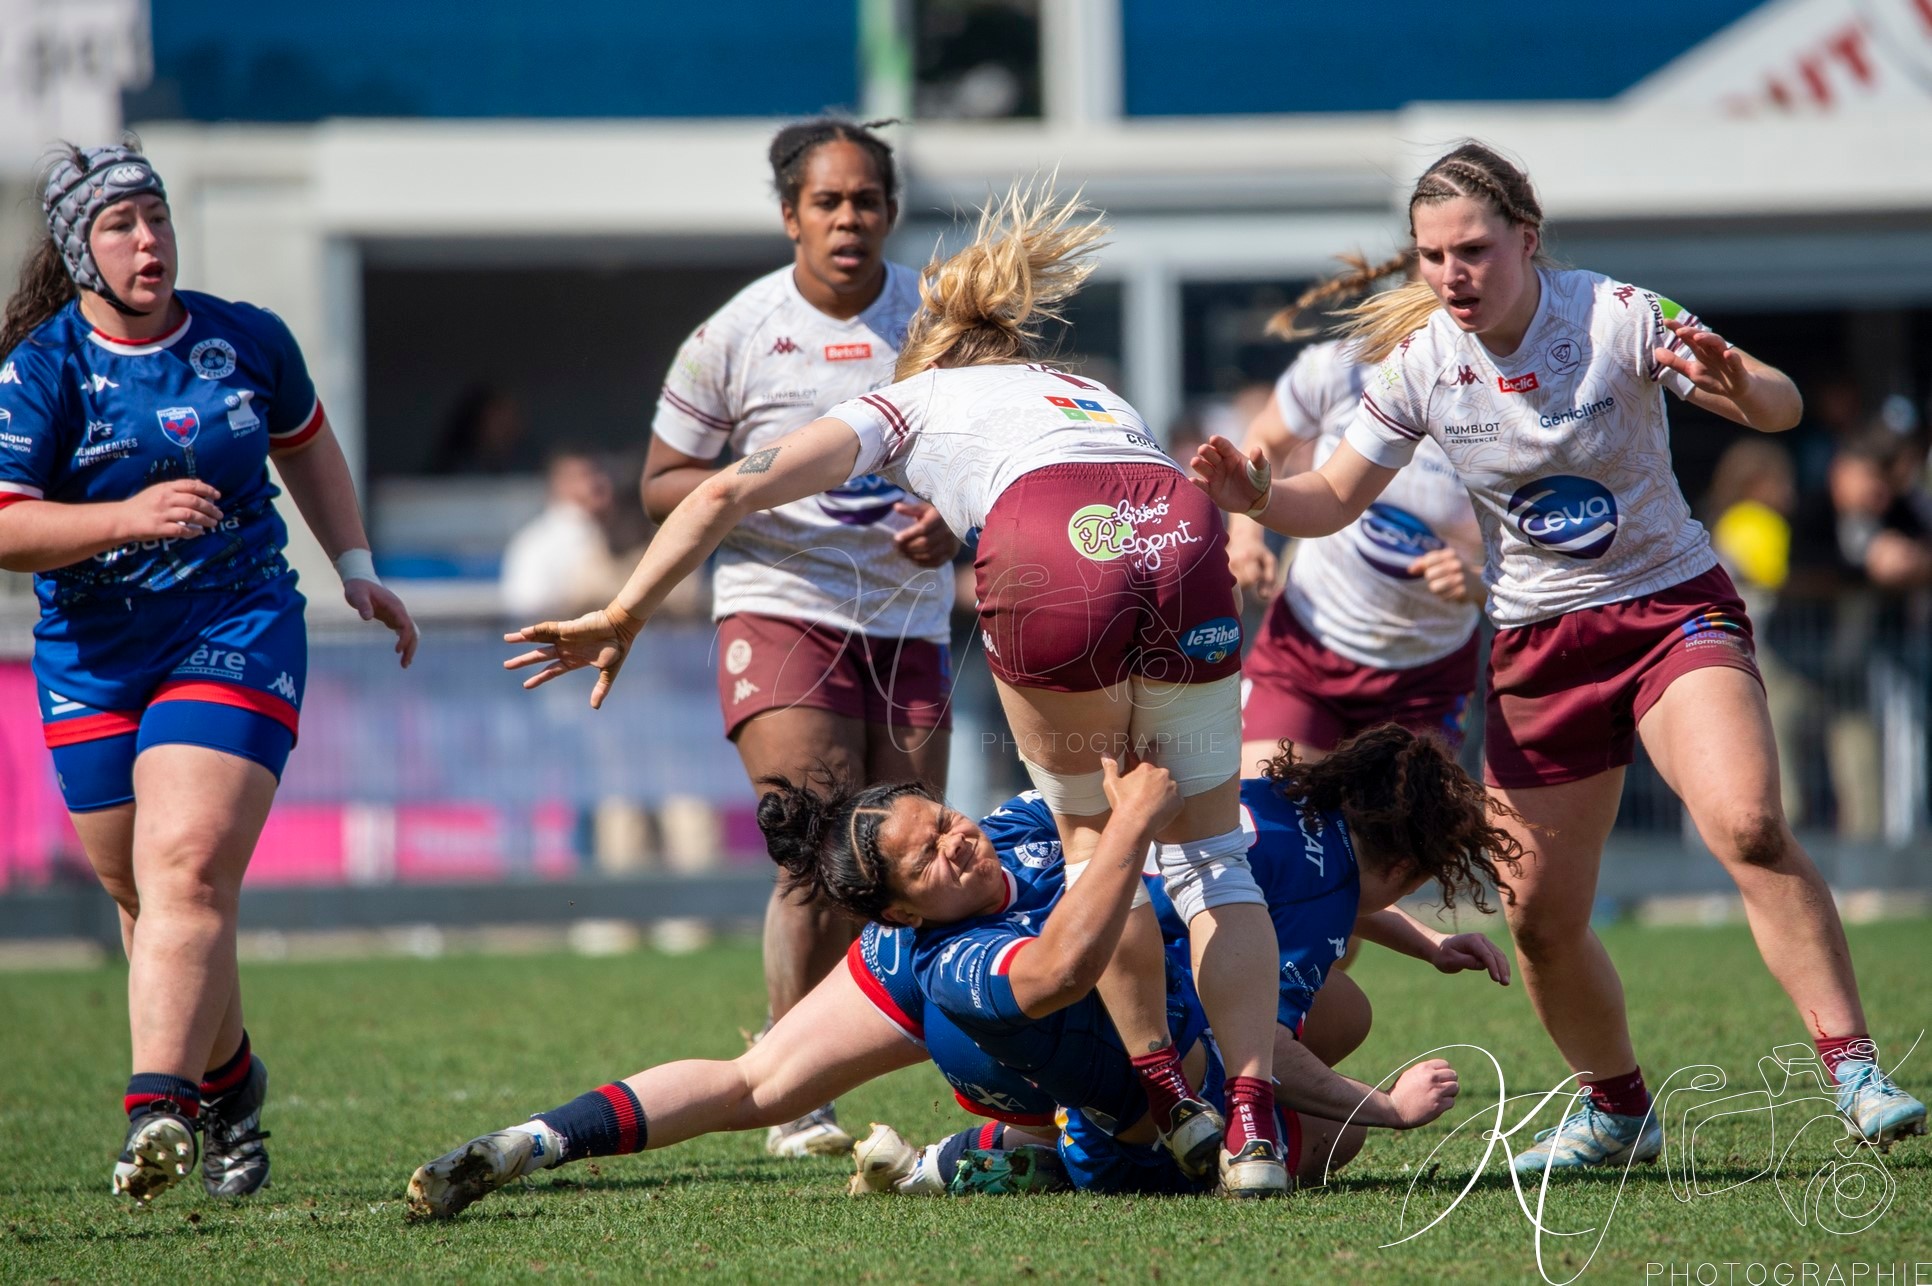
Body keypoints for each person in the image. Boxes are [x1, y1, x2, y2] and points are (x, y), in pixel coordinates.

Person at [508, 180, 1293, 1192]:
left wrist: (622, 610)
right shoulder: (1091, 388)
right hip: (1172, 518)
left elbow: (729, 488)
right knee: (1214, 857)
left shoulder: (906, 397)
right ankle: (1253, 1125)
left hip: (1053, 534)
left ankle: (1162, 1091)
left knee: (1097, 840)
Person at [1190, 141, 1927, 1172]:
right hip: (1540, 645)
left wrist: (1739, 384)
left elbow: (1784, 405)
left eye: (1475, 249)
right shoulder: (1420, 367)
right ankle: (1617, 1111)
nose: (1453, 273)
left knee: (1749, 822)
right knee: (1536, 916)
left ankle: (1853, 1066)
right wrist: (1258, 496)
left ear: (1526, 241)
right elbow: (1336, 497)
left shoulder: (1616, 314)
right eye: (1433, 254)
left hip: (1668, 608)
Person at [406, 727, 1514, 1214]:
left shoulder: (1019, 824)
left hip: (1061, 990)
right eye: (931, 851)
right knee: (763, 1084)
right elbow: (1092, 942)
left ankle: (527, 1140)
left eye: (946, 817)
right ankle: (1042, 1141)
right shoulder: (955, 946)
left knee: (1333, 999)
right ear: (893, 909)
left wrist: (1416, 935)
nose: (958, 839)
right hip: (1027, 1008)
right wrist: (1378, 1107)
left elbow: (1220, 869)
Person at [0, 143, 419, 1203]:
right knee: (149, 901)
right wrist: (120, 520)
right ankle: (232, 1084)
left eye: (156, 217)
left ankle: (157, 1111)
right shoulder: (42, 369)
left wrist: (357, 568)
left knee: (186, 868)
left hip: (236, 624)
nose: (149, 242)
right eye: (119, 226)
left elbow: (309, 445)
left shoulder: (245, 337)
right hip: (93, 657)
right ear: (77, 251)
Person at [638, 118, 958, 1158]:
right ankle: (792, 1088)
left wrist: (951, 523)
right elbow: (662, 481)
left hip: (909, 618)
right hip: (781, 604)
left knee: (912, 855)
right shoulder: (735, 333)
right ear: (791, 216)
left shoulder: (943, 318)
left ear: (891, 212)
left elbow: (995, 452)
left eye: (867, 200)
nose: (849, 218)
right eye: (828, 201)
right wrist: (765, 498)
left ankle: (961, 1069)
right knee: (817, 841)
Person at [1225, 252, 1485, 774]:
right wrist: (1245, 541)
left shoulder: (1507, 401)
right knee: (1269, 824)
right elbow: (1265, 441)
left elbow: (1547, 555)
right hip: (1307, 646)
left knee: (1397, 855)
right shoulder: (1341, 370)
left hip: (1425, 676)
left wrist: (1477, 582)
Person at [499, 447, 622, 619]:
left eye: (598, 473)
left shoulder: (613, 529)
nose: (597, 483)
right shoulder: (536, 542)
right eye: (584, 476)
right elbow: (526, 603)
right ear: (559, 483)